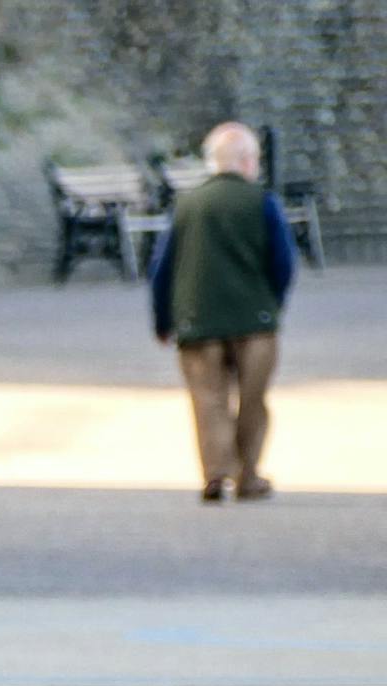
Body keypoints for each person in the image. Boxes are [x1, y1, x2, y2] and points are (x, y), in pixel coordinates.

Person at [150, 122, 297, 503]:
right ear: (248, 161)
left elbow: (162, 268)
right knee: (253, 400)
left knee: (208, 398)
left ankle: (215, 474)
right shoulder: (262, 201)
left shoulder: (186, 204)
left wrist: (163, 320)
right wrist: (271, 304)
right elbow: (283, 262)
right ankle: (248, 475)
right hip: (255, 321)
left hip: (197, 320)